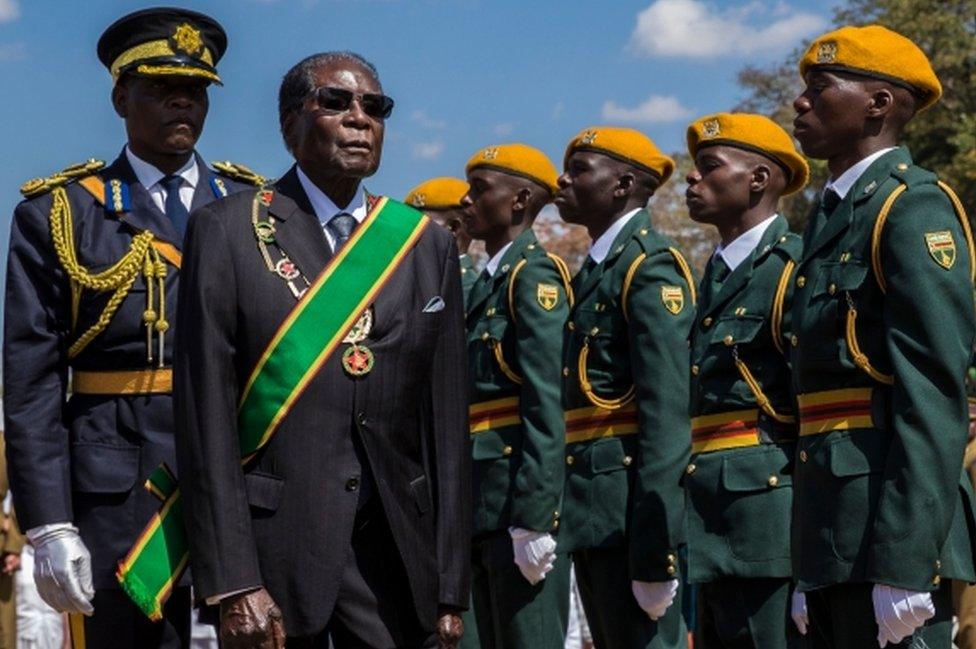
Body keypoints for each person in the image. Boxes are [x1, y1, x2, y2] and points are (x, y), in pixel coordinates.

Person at [173, 51, 470, 648]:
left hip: (396, 556)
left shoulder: (422, 245)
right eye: (336, 102)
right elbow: (204, 417)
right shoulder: (227, 229)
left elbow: (446, 431)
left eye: (375, 107)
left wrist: (449, 587)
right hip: (273, 555)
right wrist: (231, 583)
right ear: (289, 125)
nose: (360, 118)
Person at [2, 8, 258, 648]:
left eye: (196, 90)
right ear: (120, 96)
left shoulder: (254, 206)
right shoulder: (61, 212)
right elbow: (31, 380)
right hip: (117, 490)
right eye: (160, 87)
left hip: (240, 475)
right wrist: (49, 522)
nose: (182, 102)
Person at [789, 25, 976, 648]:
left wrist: (906, 557)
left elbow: (932, 392)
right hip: (832, 529)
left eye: (821, 87)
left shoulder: (911, 206)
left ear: (878, 104)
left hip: (887, 527)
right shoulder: (831, 215)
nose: (800, 102)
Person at [555, 126, 694, 648]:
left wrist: (656, 546)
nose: (562, 180)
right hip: (595, 509)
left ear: (623, 185)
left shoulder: (648, 265)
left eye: (580, 169)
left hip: (632, 514)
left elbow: (666, 414)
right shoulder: (596, 268)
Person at [682, 113, 809, 647]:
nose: (692, 179)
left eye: (709, 167)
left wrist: (811, 558)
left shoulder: (793, 267)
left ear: (758, 179)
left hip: (770, 530)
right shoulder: (711, 274)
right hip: (713, 524)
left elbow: (812, 418)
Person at [457, 143, 572, 648]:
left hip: (516, 505)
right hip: (482, 501)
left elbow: (547, 403)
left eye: (480, 190)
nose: (465, 201)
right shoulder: (489, 281)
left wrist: (535, 517)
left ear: (520, 199)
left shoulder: (533, 276)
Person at [406, 177, 479, 304]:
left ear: (453, 228)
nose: (410, 234)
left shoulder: (471, 289)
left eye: (420, 225)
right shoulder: (410, 280)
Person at [0, 436, 24, 649]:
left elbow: (25, 483)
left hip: (1, 554)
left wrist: (14, 544)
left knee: (4, 632)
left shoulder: (3, 442)